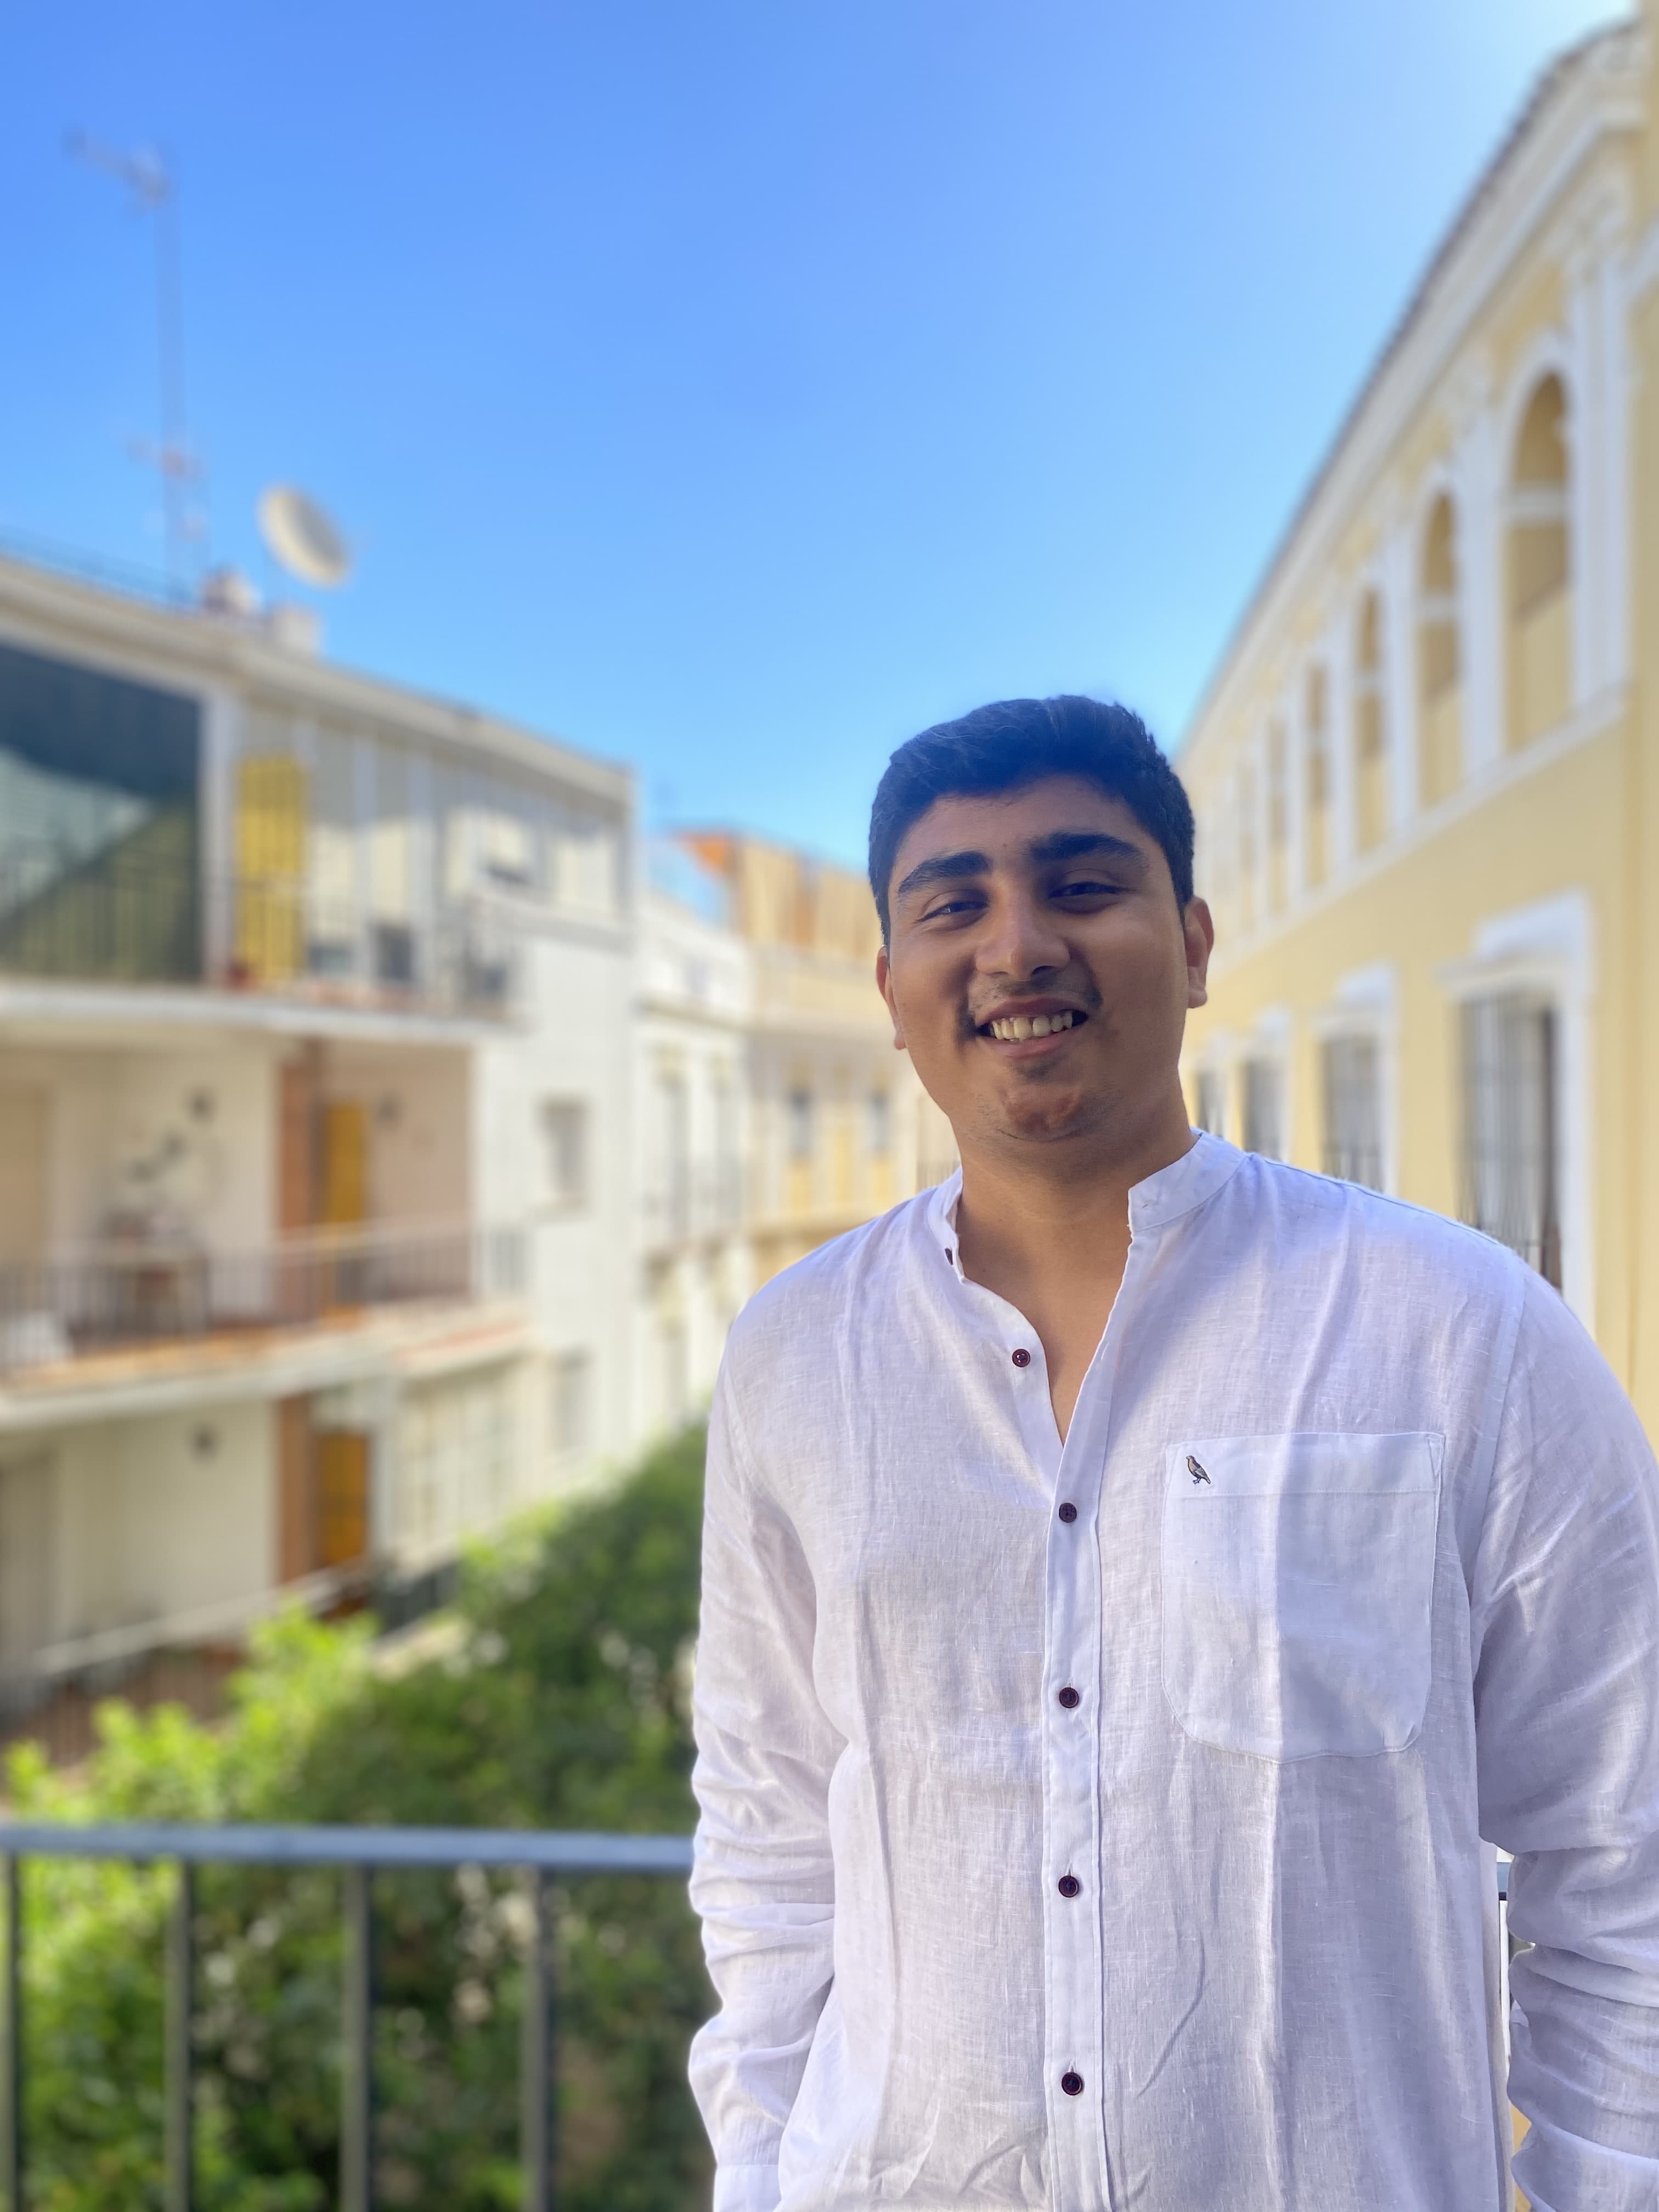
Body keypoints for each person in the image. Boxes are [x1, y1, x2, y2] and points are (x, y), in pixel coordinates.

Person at [686, 694, 1659, 2212]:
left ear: (1195, 944)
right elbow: (766, 1826)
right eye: (957, 904)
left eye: (1082, 885)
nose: (1017, 945)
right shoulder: (794, 1359)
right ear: (892, 986)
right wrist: (754, 2174)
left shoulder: (1461, 1331)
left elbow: (1621, 1854)